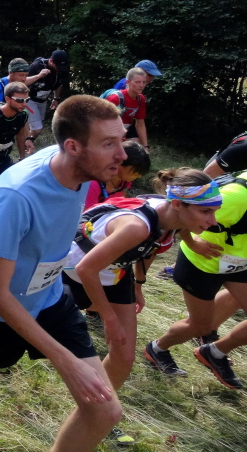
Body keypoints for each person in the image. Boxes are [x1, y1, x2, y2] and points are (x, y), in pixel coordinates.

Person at [0, 95, 128, 452]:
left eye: (121, 140)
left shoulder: (84, 171)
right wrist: (65, 361)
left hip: (49, 296)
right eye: (109, 144)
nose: (122, 154)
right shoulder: (17, 195)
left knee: (105, 411)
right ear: (73, 146)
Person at [63, 169, 220, 445]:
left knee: (124, 357)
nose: (213, 221)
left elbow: (153, 247)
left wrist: (138, 285)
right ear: (177, 204)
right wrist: (108, 317)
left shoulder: (174, 218)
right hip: (72, 273)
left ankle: (97, 415)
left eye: (214, 211)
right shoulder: (136, 226)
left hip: (115, 272)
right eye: (206, 212)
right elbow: (86, 269)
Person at [143, 171, 247, 390]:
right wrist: (192, 243)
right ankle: (157, 348)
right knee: (200, 326)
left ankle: (214, 352)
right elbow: (182, 217)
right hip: (202, 263)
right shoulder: (236, 197)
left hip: (239, 264)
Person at [0, 58, 50, 132]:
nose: (24, 79)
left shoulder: (18, 84)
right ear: (11, 73)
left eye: (26, 75)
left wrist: (39, 76)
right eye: (21, 75)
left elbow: (26, 81)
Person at [84, 141, 150, 209]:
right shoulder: (93, 184)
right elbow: (86, 213)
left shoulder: (124, 181)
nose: (138, 176)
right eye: (135, 172)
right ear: (119, 162)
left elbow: (120, 203)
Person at [26, 50, 70, 139]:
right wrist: (38, 76)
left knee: (37, 125)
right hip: (29, 99)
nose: (59, 69)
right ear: (51, 61)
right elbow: (22, 82)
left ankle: (26, 141)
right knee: (37, 129)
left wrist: (56, 98)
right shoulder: (37, 66)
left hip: (43, 100)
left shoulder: (61, 70)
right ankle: (25, 142)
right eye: (57, 66)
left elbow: (58, 84)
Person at [105, 67, 150, 151]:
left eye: (144, 82)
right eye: (137, 82)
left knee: (136, 150)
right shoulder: (115, 98)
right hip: (109, 132)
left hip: (125, 130)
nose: (141, 85)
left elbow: (140, 124)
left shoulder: (141, 99)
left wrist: (145, 147)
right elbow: (102, 122)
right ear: (128, 82)